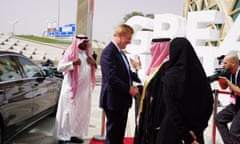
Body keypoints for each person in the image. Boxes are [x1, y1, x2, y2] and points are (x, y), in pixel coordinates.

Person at [100, 24, 141, 144]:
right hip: (113, 101)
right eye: (128, 38)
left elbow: (127, 74)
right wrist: (129, 89)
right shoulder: (109, 52)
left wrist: (141, 74)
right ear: (120, 36)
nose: (129, 41)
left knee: (119, 134)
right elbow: (111, 78)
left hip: (122, 100)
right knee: (113, 135)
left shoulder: (121, 53)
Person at [54, 35, 97, 144]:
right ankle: (63, 137)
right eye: (83, 42)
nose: (85, 44)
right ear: (78, 42)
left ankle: (74, 134)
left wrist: (94, 63)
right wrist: (72, 63)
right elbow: (59, 67)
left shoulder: (87, 55)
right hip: (71, 90)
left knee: (80, 113)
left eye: (86, 42)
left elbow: (92, 69)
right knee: (67, 113)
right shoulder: (70, 53)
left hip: (83, 91)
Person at [134, 37, 171, 144]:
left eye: (154, 46)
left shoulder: (165, 64)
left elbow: (149, 82)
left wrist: (139, 69)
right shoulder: (161, 63)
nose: (151, 49)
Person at [215, 53, 240, 144]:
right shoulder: (229, 73)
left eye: (225, 63)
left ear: (233, 63)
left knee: (234, 132)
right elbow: (224, 87)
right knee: (219, 118)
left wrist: (228, 82)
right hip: (234, 104)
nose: (223, 65)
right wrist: (221, 81)